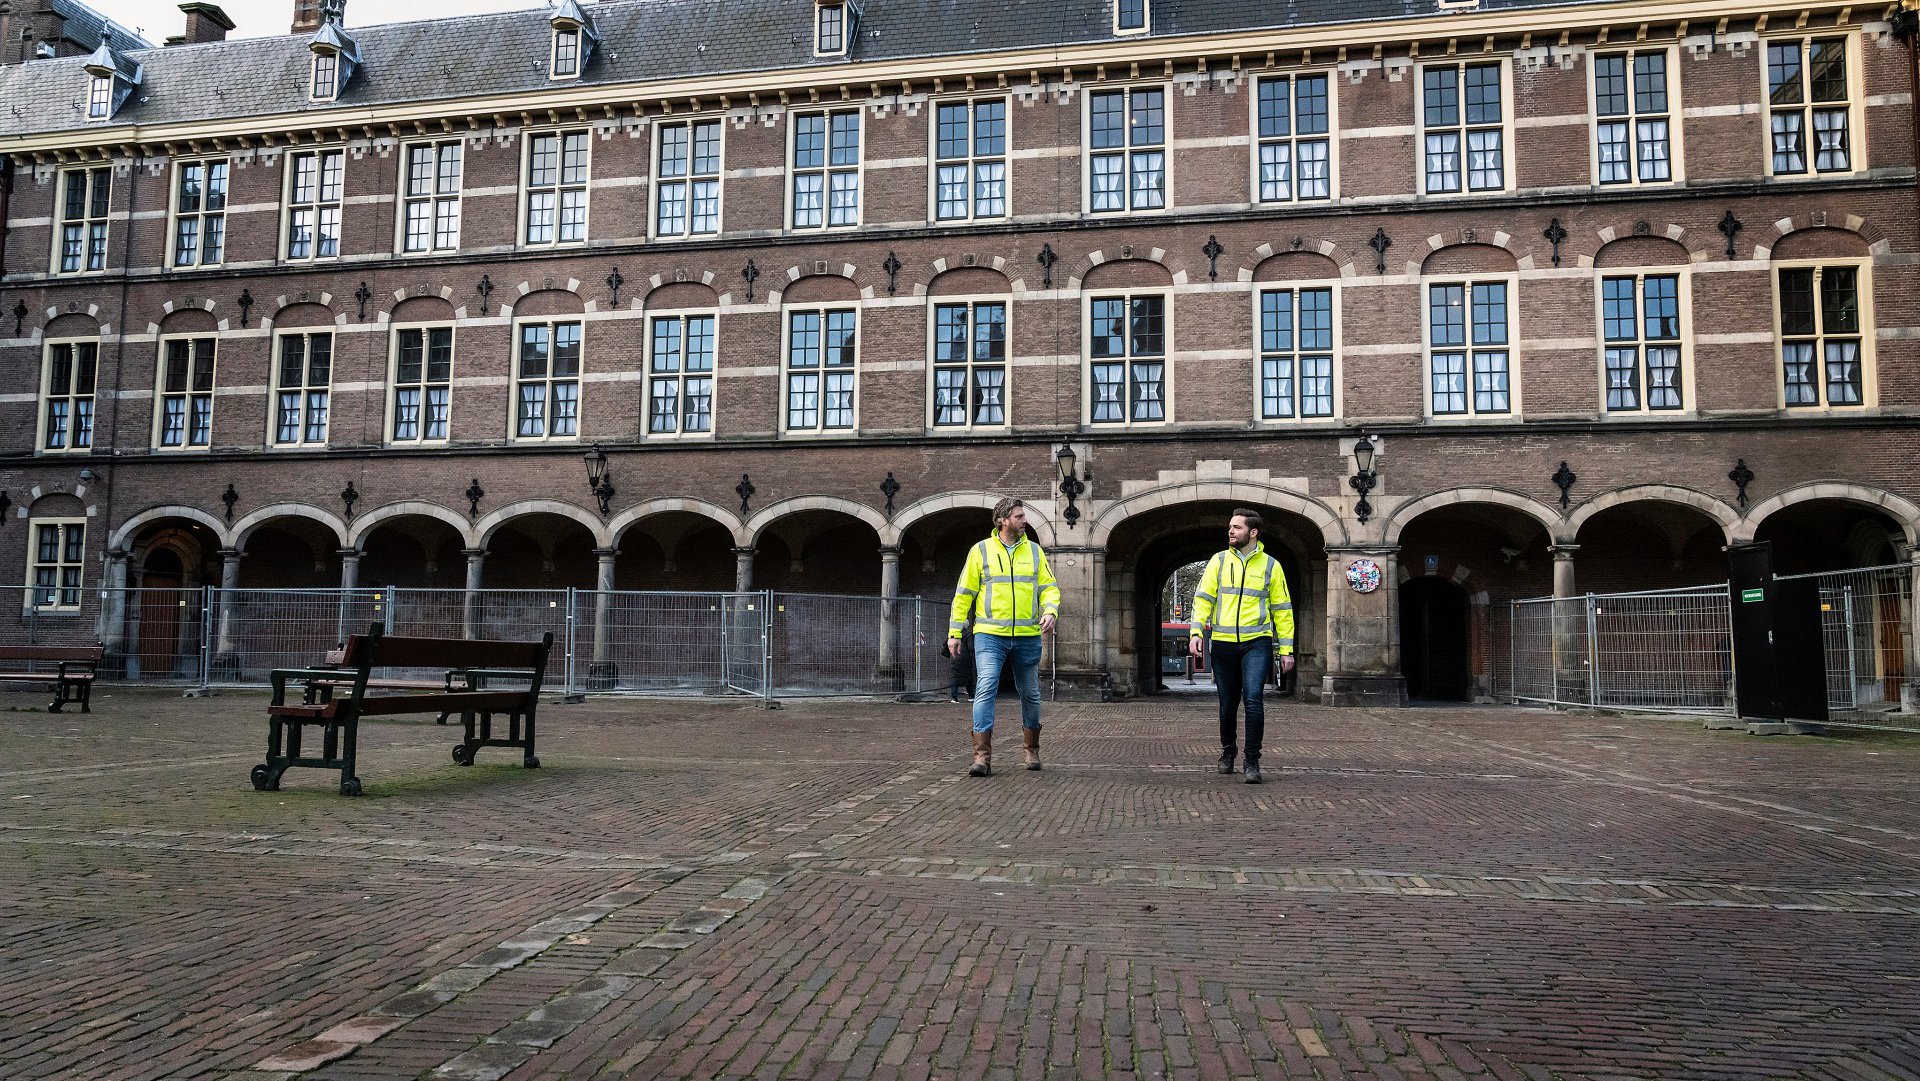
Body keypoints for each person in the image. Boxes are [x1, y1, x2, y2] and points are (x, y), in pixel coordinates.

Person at [948, 498, 1061, 776]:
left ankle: (1031, 751)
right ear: (1003, 520)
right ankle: (981, 757)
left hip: (1026, 635)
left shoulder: (1035, 551)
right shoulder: (980, 551)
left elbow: (1049, 587)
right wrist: (954, 632)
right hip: (989, 635)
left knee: (1031, 694)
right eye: (1019, 516)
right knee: (986, 687)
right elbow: (963, 595)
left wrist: (1050, 610)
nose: (1025, 520)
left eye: (1024, 516)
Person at [1188, 509, 1295, 784]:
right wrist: (1196, 631)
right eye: (1230, 527)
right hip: (1223, 644)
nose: (1231, 531)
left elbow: (1283, 610)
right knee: (1227, 705)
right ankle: (1227, 751)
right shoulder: (1218, 561)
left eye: (1236, 527)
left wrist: (1286, 649)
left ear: (1253, 532)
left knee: (1253, 700)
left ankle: (1252, 760)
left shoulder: (1272, 566)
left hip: (1257, 643)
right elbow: (1203, 599)